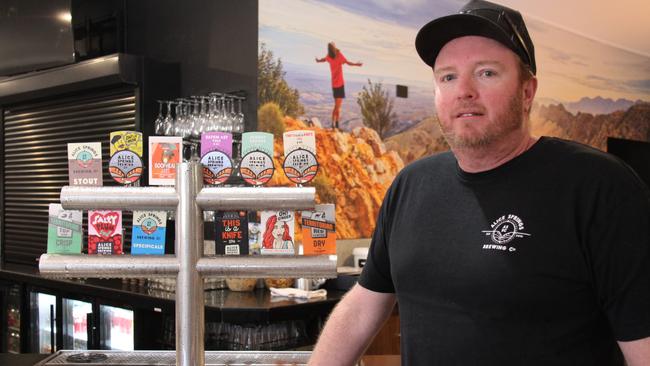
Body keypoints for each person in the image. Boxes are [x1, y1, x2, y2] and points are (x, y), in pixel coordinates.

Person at [308, 1, 650, 365]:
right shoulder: (411, 185)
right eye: (448, 77)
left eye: (486, 73)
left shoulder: (601, 188)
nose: (464, 90)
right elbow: (363, 305)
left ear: (527, 92)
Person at [316, 42, 362, 130]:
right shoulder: (339, 55)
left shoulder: (329, 56)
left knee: (338, 106)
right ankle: (333, 124)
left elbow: (323, 59)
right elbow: (348, 63)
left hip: (334, 84)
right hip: (340, 84)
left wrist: (318, 61)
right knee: (337, 106)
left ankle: (336, 124)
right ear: (334, 47)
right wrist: (357, 64)